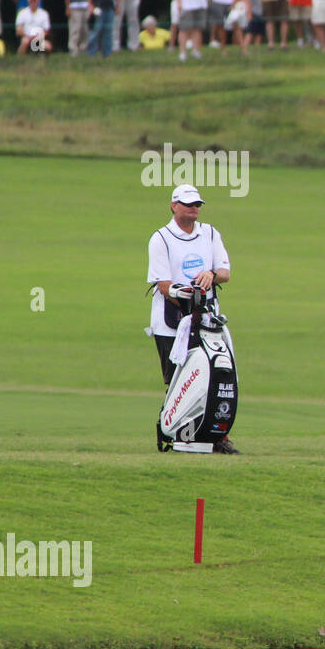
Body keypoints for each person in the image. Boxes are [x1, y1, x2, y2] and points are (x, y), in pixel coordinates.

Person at [147, 184, 238, 455]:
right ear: (174, 206)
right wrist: (189, 301)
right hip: (171, 320)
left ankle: (218, 437)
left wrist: (210, 274)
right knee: (177, 380)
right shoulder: (161, 238)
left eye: (197, 204)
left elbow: (225, 272)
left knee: (215, 376)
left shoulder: (210, 233)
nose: (194, 208)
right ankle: (178, 434)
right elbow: (163, 284)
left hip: (208, 319)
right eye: (187, 204)